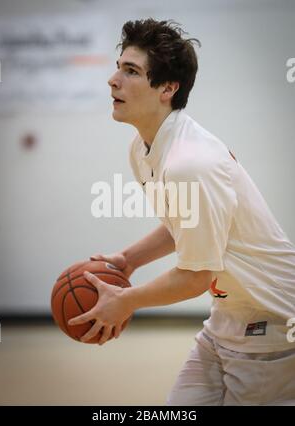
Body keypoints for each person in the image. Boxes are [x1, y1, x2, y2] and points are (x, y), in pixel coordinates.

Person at [68, 18, 295, 405]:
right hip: (223, 325)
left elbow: (195, 275)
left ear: (168, 88)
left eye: (131, 71)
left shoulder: (191, 162)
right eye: (118, 66)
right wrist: (128, 259)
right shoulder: (144, 149)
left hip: (271, 329)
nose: (112, 79)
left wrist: (127, 300)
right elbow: (184, 226)